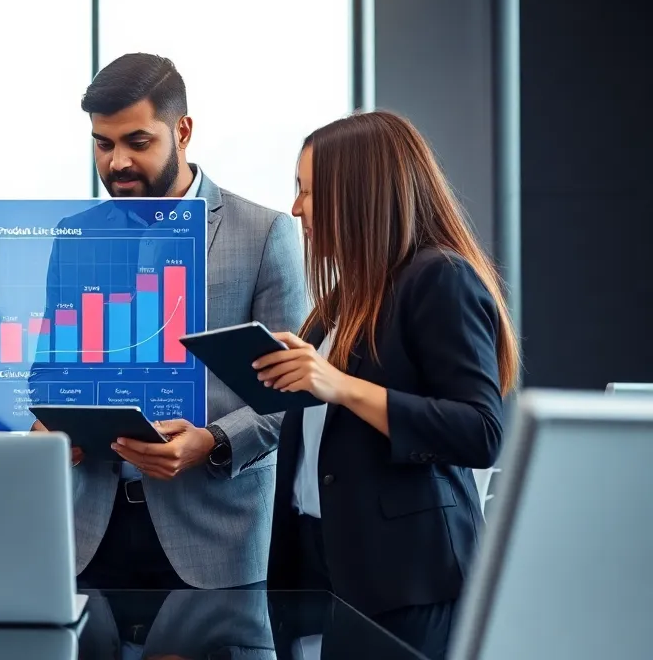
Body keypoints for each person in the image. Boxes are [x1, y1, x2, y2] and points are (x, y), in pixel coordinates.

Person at [34, 52, 308, 590]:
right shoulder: (76, 235)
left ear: (182, 131)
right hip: (89, 531)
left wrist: (213, 440)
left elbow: (290, 393)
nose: (117, 163)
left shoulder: (265, 233)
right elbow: (48, 372)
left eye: (138, 142)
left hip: (214, 537)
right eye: (103, 143)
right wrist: (53, 428)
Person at [258, 110, 519, 659]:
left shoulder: (439, 277)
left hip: (408, 579)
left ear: (358, 193)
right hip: (325, 566)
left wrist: (341, 387)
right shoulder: (343, 301)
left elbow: (480, 430)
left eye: (308, 192)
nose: (296, 209)